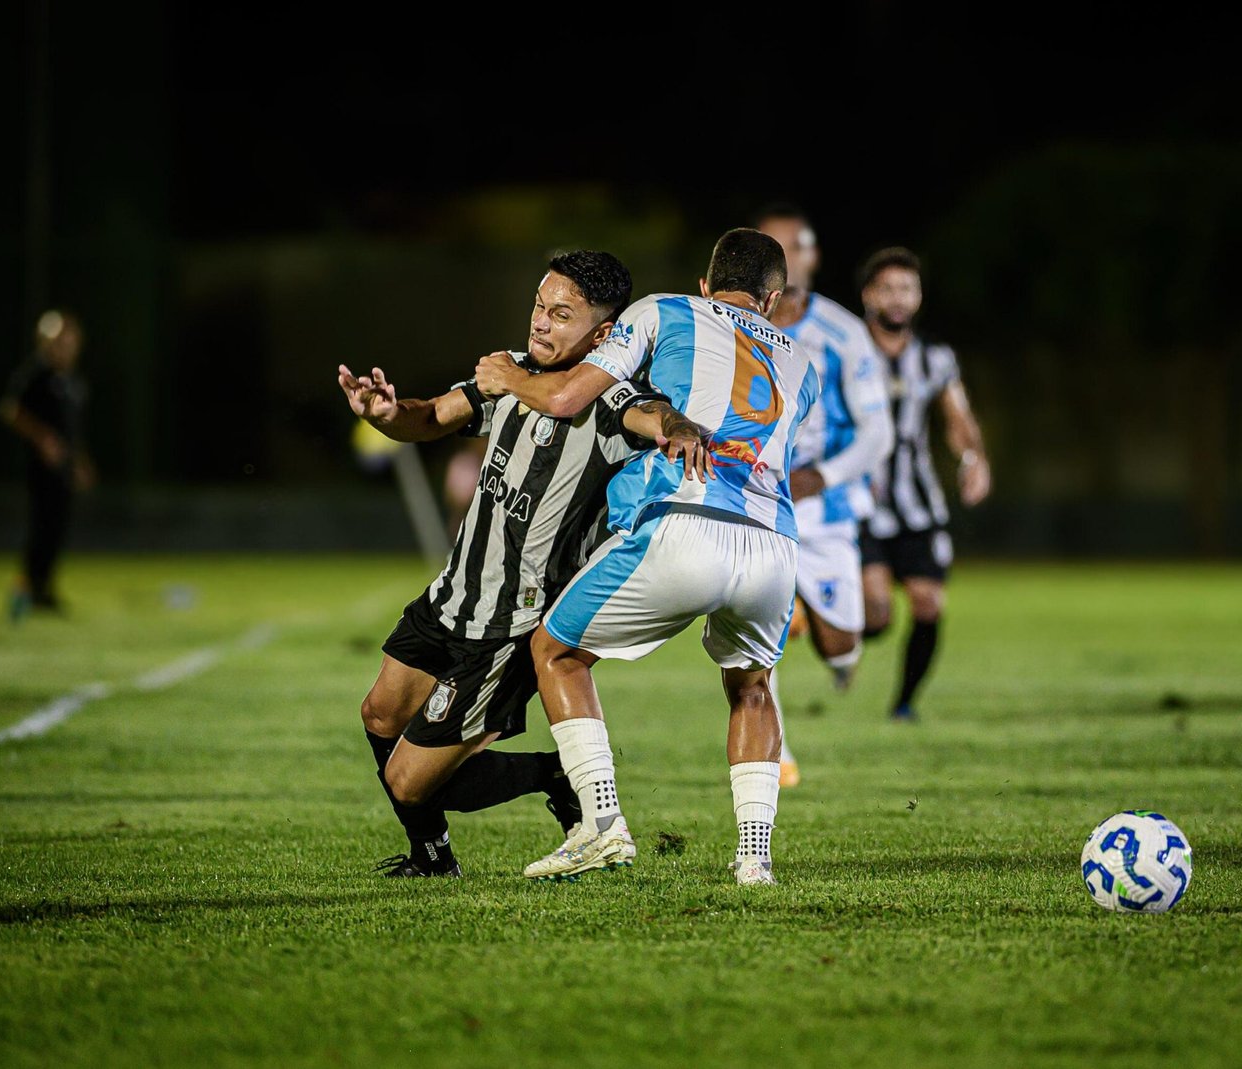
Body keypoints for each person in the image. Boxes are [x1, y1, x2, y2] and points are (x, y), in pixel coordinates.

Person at [336, 250, 705, 877]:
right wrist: (387, 414)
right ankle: (433, 857)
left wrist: (678, 425)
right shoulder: (513, 372)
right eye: (540, 305)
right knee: (379, 716)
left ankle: (559, 775)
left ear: (604, 333)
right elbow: (431, 417)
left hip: (510, 625)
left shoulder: (610, 400)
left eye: (562, 314)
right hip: (451, 598)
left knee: (409, 781)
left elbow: (654, 414)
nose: (541, 323)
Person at [473, 228, 818, 886]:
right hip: (775, 544)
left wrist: (510, 375)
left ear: (705, 284)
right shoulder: (803, 362)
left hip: (689, 521)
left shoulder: (667, 308)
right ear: (772, 301)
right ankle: (754, 859)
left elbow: (572, 395)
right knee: (751, 685)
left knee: (556, 651)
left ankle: (601, 823)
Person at [753, 205, 894, 787]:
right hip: (756, 497)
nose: (788, 259)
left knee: (844, 648)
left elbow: (877, 432)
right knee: (757, 625)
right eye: (774, 248)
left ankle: (816, 623)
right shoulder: (728, 325)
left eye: (798, 247)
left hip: (824, 505)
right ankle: (775, 754)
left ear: (811, 257)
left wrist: (823, 477)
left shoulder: (842, 333)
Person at [857, 247, 992, 721]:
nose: (899, 298)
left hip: (919, 503)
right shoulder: (847, 350)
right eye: (889, 288)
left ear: (918, 297)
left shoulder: (935, 358)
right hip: (861, 501)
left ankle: (905, 703)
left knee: (929, 602)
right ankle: (838, 641)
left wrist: (973, 458)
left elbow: (957, 417)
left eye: (908, 289)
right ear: (869, 294)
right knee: (876, 616)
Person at [0, 309, 95, 613]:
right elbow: (12, 411)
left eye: (69, 342)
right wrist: (42, 440)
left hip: (64, 467)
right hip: (40, 467)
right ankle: (30, 587)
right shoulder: (36, 374)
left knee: (57, 526)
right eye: (58, 342)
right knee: (41, 525)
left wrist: (80, 462)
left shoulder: (72, 381)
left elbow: (71, 430)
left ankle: (45, 587)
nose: (64, 348)